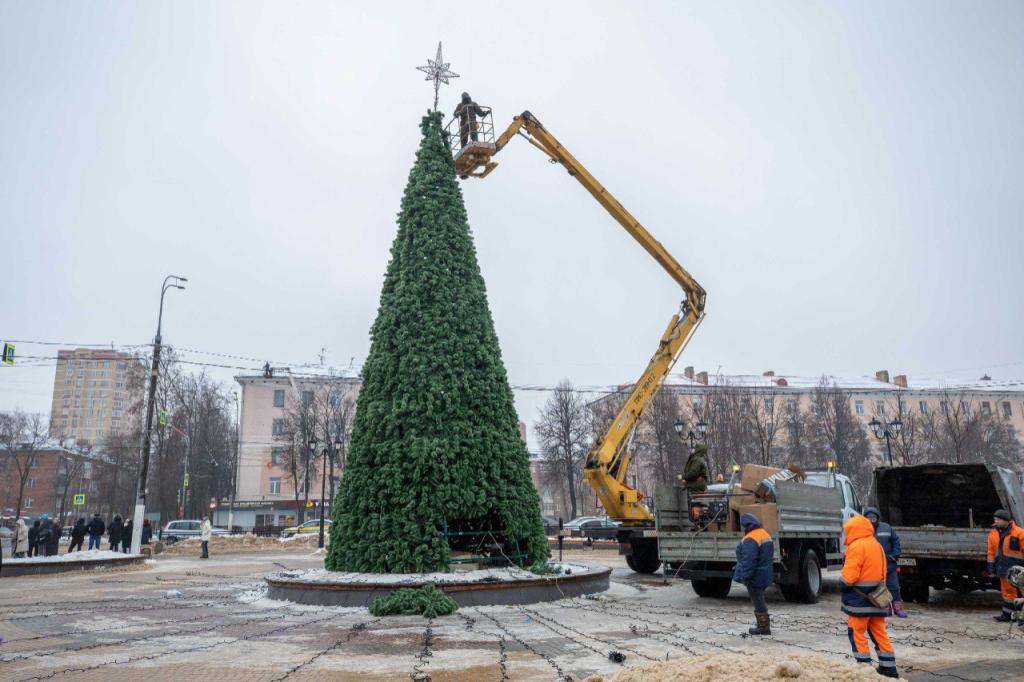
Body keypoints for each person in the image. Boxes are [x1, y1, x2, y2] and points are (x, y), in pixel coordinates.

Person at [841, 514, 898, 678]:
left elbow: (849, 577)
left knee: (856, 632)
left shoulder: (856, 546)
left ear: (853, 530)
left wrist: (841, 584)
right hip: (878, 598)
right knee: (879, 632)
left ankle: (865, 670)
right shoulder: (876, 544)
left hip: (859, 601)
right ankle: (889, 668)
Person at [734, 512, 774, 635]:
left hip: (755, 575)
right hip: (765, 572)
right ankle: (763, 625)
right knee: (759, 598)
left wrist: (743, 576)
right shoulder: (764, 534)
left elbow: (749, 560)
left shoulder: (750, 538)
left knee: (758, 599)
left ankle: (763, 627)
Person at [863, 506, 907, 618]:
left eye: (873, 518)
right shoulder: (863, 530)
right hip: (874, 565)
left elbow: (896, 541)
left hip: (889, 563)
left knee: (894, 586)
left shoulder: (886, 528)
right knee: (879, 587)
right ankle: (885, 606)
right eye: (869, 518)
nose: (871, 520)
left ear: (878, 518)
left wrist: (895, 555)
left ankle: (898, 607)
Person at [987, 509, 1024, 623]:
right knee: (1007, 593)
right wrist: (991, 569)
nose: (995, 522)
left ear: (1006, 521)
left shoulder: (1019, 533)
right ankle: (1007, 615)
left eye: (998, 519)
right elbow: (991, 553)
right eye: (995, 519)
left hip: (1019, 570)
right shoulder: (993, 534)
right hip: (1004, 569)